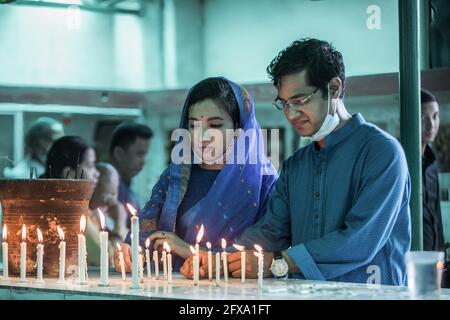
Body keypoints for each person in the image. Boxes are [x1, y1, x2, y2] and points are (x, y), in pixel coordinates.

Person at [181, 39, 411, 286]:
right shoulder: (296, 166)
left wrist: (276, 262)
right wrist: (219, 261)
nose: (290, 114)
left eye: (300, 100)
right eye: (284, 103)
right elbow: (269, 231)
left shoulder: (381, 152)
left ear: (334, 88)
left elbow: (359, 241)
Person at [114, 77, 278, 272]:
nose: (202, 137)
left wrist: (189, 250)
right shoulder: (175, 176)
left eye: (215, 125)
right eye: (193, 126)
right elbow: (145, 231)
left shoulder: (264, 182)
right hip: (173, 286)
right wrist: (130, 249)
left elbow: (260, 254)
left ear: (239, 128)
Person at [109, 122, 153, 224]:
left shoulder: (126, 188)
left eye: (144, 155)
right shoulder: (106, 189)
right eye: (139, 154)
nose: (143, 161)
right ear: (118, 154)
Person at [87, 162, 128, 266]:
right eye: (107, 195)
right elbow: (111, 260)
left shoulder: (100, 217)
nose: (112, 201)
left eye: (114, 194)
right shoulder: (84, 218)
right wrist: (120, 223)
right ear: (93, 190)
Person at [421, 88, 445, 252]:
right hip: (409, 262)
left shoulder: (432, 163)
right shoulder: (397, 160)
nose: (431, 124)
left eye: (435, 116)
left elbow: (437, 217)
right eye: (423, 117)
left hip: (434, 259)